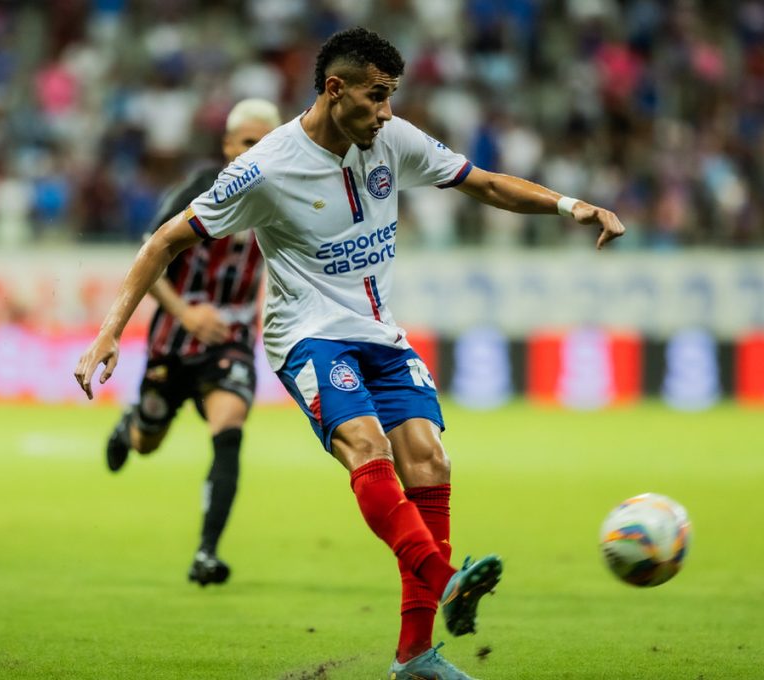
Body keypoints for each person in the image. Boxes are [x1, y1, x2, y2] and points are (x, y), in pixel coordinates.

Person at [75, 27, 625, 680]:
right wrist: (109, 331)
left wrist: (574, 206)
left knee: (429, 458)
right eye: (377, 96)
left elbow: (485, 184)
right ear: (336, 91)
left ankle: (416, 654)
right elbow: (162, 242)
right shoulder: (265, 168)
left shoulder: (390, 140)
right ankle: (446, 579)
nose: (387, 111)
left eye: (391, 96)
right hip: (306, 336)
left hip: (378, 332)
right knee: (369, 447)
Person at [102, 98, 281, 587]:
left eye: (268, 142)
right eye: (248, 142)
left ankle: (207, 552)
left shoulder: (286, 191)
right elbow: (150, 255)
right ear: (227, 146)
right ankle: (130, 427)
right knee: (148, 440)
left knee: (230, 426)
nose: (258, 152)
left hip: (232, 339)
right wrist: (185, 312)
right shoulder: (202, 189)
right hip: (174, 339)